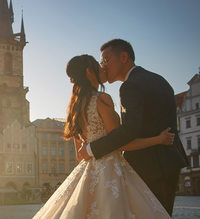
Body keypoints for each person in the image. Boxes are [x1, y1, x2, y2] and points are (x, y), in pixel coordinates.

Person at [33, 54, 172, 218]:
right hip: (111, 170)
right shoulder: (102, 99)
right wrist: (158, 139)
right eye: (98, 66)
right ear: (89, 72)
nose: (102, 68)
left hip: (87, 170)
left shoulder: (74, 109)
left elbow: (80, 156)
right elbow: (119, 143)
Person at [78, 39, 188, 215]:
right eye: (101, 63)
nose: (104, 66)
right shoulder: (160, 80)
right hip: (170, 160)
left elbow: (129, 131)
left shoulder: (129, 86)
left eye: (106, 60)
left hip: (147, 165)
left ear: (123, 57)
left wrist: (92, 148)